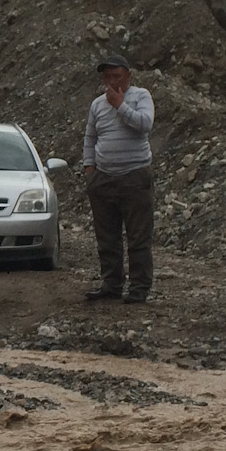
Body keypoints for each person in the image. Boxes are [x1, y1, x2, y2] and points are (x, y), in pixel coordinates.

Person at [79, 52, 155, 303]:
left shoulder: (140, 96)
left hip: (135, 177)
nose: (112, 82)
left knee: (138, 237)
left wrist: (120, 105)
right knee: (107, 238)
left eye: (117, 76)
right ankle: (111, 284)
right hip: (103, 179)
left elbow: (145, 124)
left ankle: (139, 288)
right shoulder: (97, 104)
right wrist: (90, 169)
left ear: (128, 76)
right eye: (107, 77)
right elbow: (90, 137)